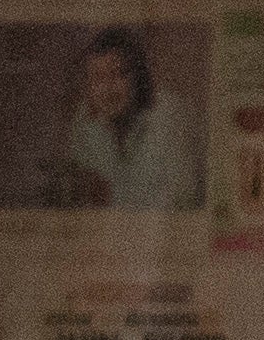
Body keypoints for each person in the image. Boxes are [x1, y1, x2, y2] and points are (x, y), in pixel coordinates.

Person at [53, 27, 188, 212]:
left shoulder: (168, 112)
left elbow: (182, 202)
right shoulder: (84, 120)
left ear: (138, 77)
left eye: (118, 75)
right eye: (98, 78)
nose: (107, 89)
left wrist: (110, 196)